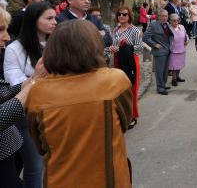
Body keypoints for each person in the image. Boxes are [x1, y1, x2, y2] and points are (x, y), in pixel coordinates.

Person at [26, 20, 132, 188]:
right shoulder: (115, 81)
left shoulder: (38, 92)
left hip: (60, 179)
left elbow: (40, 145)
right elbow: (125, 122)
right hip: (109, 178)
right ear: (94, 45)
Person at [4, 1, 57, 187]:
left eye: (55, 17)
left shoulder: (58, 43)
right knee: (34, 165)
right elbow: (15, 84)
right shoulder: (14, 49)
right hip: (27, 115)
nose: (54, 22)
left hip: (55, 111)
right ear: (34, 20)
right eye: (49, 18)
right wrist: (36, 78)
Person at [108, 6, 142, 128]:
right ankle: (122, 113)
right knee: (120, 89)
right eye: (119, 14)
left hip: (130, 61)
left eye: (124, 14)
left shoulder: (135, 31)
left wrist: (125, 47)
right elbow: (113, 45)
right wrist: (111, 48)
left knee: (131, 89)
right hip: (118, 60)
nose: (121, 16)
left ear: (129, 16)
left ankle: (132, 116)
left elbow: (140, 48)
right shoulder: (115, 30)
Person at [143, 9, 172, 95]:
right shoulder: (153, 24)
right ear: (159, 16)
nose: (164, 18)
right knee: (159, 71)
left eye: (166, 16)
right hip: (159, 52)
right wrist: (154, 44)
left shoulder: (167, 24)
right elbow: (145, 37)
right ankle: (160, 88)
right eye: (162, 16)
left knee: (165, 70)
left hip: (167, 50)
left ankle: (163, 84)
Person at [168, 13, 188, 87]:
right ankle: (173, 79)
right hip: (174, 50)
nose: (175, 22)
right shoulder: (169, 29)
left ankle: (178, 77)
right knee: (174, 66)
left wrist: (187, 40)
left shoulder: (182, 27)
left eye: (177, 20)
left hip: (182, 49)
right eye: (173, 21)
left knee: (179, 65)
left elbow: (186, 35)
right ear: (170, 21)